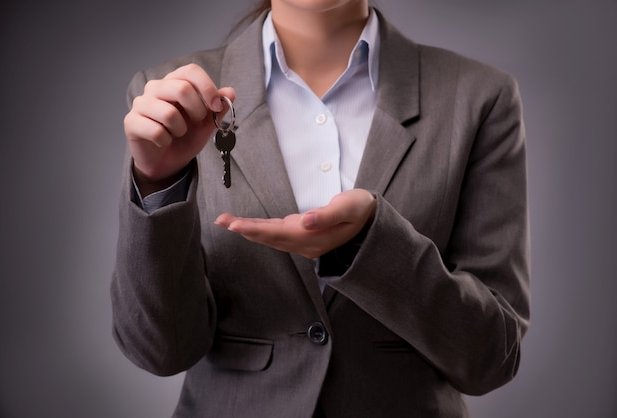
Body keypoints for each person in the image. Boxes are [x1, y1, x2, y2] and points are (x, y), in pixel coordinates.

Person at [111, 0, 530, 416]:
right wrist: (160, 184)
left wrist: (372, 243)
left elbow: (491, 358)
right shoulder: (168, 97)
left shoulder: (479, 98)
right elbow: (159, 350)